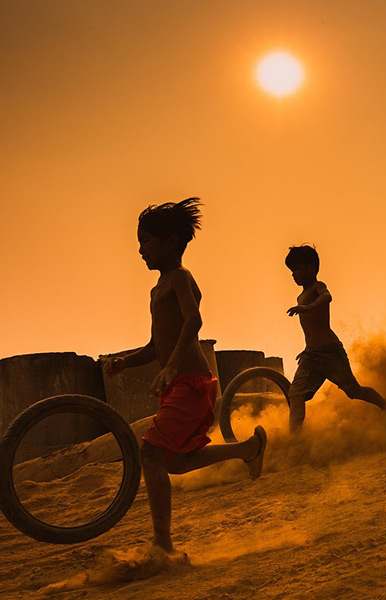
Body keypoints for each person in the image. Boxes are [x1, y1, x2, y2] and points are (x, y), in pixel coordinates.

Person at [105, 197, 266, 555]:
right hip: (180, 381)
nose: (140, 250)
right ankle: (248, 449)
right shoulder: (156, 289)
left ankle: (162, 544)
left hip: (191, 383)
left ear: (171, 242)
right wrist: (124, 363)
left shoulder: (180, 277)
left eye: (145, 241)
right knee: (172, 461)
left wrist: (174, 365)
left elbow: (194, 321)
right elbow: (154, 345)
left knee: (149, 455)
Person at [285, 245, 386, 432]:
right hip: (311, 355)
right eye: (291, 271)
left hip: (330, 353)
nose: (293, 274)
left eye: (296, 269)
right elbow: (310, 329)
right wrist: (306, 349)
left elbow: (327, 297)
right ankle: (294, 440)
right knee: (295, 394)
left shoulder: (317, 287)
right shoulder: (300, 297)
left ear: (311, 267)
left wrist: (309, 307)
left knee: (353, 391)